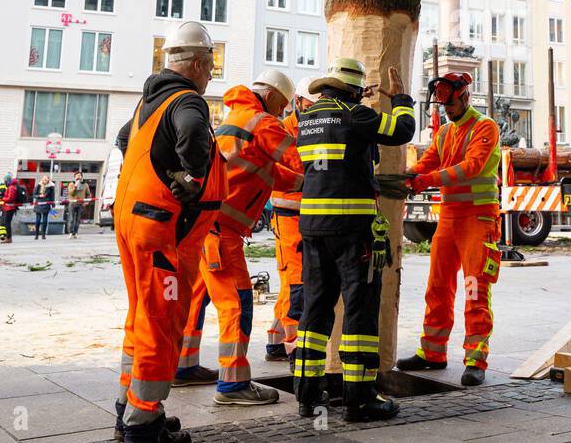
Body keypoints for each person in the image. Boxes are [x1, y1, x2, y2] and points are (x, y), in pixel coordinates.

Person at [111, 21, 227, 443]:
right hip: (163, 231)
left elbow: (126, 139)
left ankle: (128, 408)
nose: (211, 74)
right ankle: (144, 426)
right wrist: (191, 178)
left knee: (141, 317)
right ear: (196, 64)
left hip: (136, 223)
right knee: (161, 323)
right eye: (210, 66)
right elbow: (194, 135)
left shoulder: (149, 101)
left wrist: (163, 172)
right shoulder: (187, 100)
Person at [292, 58, 415, 422]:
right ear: (353, 92)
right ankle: (360, 399)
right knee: (360, 309)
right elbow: (402, 130)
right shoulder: (355, 116)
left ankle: (307, 397)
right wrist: (400, 98)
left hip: (313, 229)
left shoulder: (307, 120)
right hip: (352, 231)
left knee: (315, 309)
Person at [177, 69, 302, 406]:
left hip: (205, 227)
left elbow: (269, 171)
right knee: (237, 301)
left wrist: (301, 184)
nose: (284, 112)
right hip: (222, 231)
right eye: (284, 105)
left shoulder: (237, 117)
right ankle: (233, 384)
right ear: (275, 95)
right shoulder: (264, 122)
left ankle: (183, 366)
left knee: (197, 297)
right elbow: (299, 160)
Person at [397, 72, 502, 386]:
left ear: (465, 96)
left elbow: (471, 166)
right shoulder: (443, 132)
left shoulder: (485, 127)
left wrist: (425, 180)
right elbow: (429, 160)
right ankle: (433, 352)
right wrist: (406, 175)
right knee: (438, 287)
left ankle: (475, 359)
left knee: (474, 289)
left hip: (478, 220)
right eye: (444, 106)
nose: (448, 110)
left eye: (451, 104)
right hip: (449, 219)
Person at [266, 77, 317, 361]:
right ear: (297, 102)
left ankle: (275, 339)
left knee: (290, 280)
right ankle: (294, 345)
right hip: (287, 215)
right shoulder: (283, 131)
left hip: (307, 214)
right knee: (296, 280)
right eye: (309, 105)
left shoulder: (317, 128)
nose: (312, 111)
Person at [0, 174, 22, 243]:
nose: (4, 182)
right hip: (8, 207)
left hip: (9, 208)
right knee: (6, 222)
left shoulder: (12, 187)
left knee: (7, 223)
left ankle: (9, 238)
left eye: (5, 181)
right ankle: (8, 238)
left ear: (7, 180)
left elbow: (10, 198)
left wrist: (2, 199)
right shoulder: (11, 186)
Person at [66, 171, 91, 238]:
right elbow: (71, 193)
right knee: (71, 219)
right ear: (75, 177)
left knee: (78, 219)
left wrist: (87, 202)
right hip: (72, 203)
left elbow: (88, 194)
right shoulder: (71, 184)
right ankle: (70, 232)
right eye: (77, 175)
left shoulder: (85, 185)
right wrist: (75, 186)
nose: (78, 176)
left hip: (80, 204)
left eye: (79, 175)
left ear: (82, 177)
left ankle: (75, 232)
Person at [33, 175, 56, 239]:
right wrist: (39, 196)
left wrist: (53, 204)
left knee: (45, 220)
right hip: (38, 203)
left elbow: (52, 196)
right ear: (42, 179)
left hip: (46, 203)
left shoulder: (51, 187)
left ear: (48, 180)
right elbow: (34, 194)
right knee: (37, 220)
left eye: (46, 180)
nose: (45, 181)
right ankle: (36, 234)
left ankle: (43, 234)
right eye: (44, 179)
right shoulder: (38, 185)